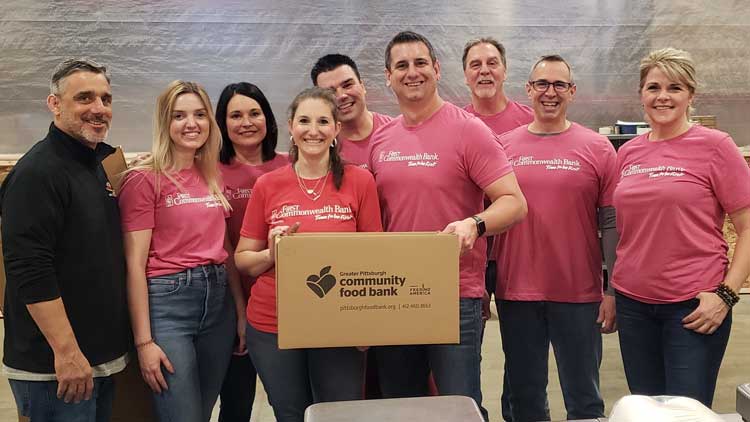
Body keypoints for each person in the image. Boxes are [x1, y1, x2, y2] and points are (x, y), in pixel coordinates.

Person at [368, 31, 527, 421]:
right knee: (401, 407)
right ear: (388, 76)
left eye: (421, 63)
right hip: (393, 294)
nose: (412, 72)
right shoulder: (382, 139)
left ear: (437, 70)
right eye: (401, 66)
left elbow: (514, 202)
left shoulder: (469, 130)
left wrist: (474, 224)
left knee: (458, 407)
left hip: (455, 294)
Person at [234, 87, 383, 422]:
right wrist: (270, 254)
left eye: (322, 121)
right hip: (274, 322)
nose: (313, 130)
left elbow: (375, 257)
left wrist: (368, 323)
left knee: (339, 414)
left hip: (339, 321)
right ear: (290, 126)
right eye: (304, 120)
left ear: (336, 129)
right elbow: (243, 259)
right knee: (291, 414)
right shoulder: (268, 185)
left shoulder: (360, 181)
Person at [612, 47, 750, 407]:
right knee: (645, 409)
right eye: (653, 87)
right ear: (641, 94)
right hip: (633, 304)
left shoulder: (716, 146)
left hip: (692, 307)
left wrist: (726, 295)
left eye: (674, 88)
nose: (662, 96)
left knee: (685, 411)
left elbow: (748, 227)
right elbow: (621, 229)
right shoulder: (628, 153)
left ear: (691, 95)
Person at [0, 58, 130, 421]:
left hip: (97, 358)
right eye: (84, 98)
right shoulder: (38, 173)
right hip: (57, 368)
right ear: (54, 104)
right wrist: (67, 352)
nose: (98, 109)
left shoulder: (99, 161)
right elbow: (29, 269)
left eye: (105, 99)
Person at [494, 55, 618, 422]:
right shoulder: (501, 146)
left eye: (559, 85)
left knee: (584, 399)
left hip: (579, 294)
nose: (551, 92)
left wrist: (610, 289)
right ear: (528, 90)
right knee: (525, 398)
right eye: (542, 85)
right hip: (516, 292)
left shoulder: (597, 148)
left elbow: (610, 222)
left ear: (572, 92)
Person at [118, 80, 245, 422]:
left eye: (200, 114)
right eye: (179, 116)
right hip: (169, 305)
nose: (191, 123)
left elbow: (225, 247)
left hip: (218, 304)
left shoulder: (211, 173)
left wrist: (240, 311)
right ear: (164, 123)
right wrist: (144, 342)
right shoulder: (143, 179)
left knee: (201, 412)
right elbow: (134, 266)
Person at [462, 38, 534, 420]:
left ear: (505, 70)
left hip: (518, 252)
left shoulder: (529, 120)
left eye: (492, 63)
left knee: (522, 353)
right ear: (464, 74)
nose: (484, 70)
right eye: (476, 64)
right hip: (469, 255)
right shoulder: (455, 123)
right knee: (465, 351)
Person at [215, 81, 289, 422]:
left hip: (284, 301)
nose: (246, 122)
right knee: (237, 400)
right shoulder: (210, 172)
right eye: (235, 115)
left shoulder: (291, 165)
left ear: (268, 118)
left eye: (254, 113)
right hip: (231, 300)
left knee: (289, 400)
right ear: (222, 123)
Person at [311, 53, 392, 168]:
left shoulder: (395, 131)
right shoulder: (319, 149)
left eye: (347, 85)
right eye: (330, 92)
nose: (341, 96)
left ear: (362, 86)